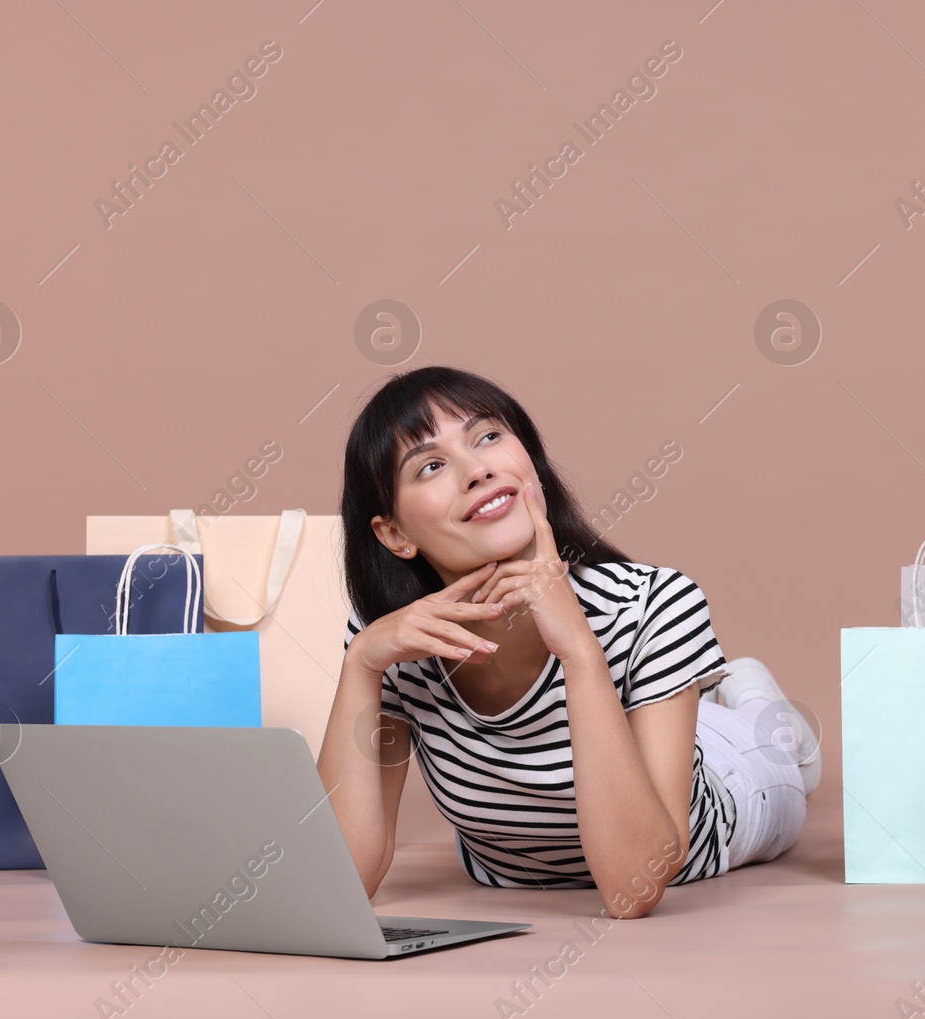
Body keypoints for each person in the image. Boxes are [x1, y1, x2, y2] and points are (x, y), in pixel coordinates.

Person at [317, 366, 820, 919]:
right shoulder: (393, 638)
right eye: (431, 466)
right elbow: (341, 877)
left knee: (778, 747)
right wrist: (362, 663)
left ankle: (757, 708)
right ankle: (722, 698)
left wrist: (579, 650)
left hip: (739, 786)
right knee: (684, 714)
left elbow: (633, 889)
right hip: (551, 840)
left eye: (488, 437)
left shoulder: (654, 603)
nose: (477, 470)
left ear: (529, 461)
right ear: (394, 534)